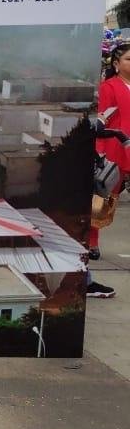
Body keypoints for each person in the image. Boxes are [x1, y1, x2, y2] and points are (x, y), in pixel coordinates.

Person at [87, 40, 130, 298]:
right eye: (128, 59)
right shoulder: (109, 87)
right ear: (116, 63)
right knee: (102, 201)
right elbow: (102, 120)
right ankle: (92, 242)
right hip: (116, 149)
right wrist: (101, 150)